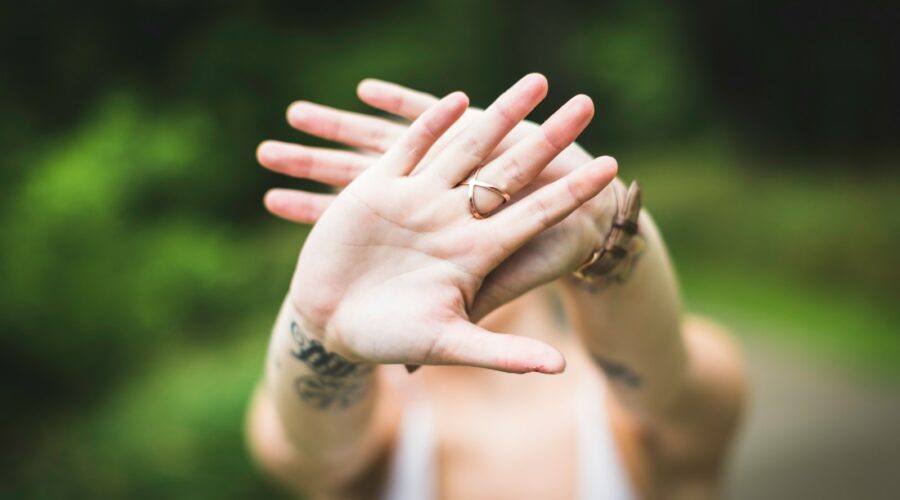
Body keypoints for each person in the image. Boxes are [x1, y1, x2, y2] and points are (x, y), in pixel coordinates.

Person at [245, 74, 746, 500]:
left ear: (524, 199)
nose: (430, 255)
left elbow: (667, 391)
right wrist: (318, 324)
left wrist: (606, 224)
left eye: (455, 194)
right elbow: (315, 451)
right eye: (384, 233)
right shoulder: (372, 431)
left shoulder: (646, 404)